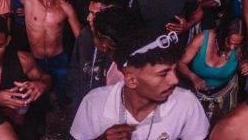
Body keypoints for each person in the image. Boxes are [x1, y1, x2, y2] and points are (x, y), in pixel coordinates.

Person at [70, 28, 209, 140]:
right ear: (131, 80)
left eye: (174, 70)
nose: (175, 80)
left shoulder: (186, 103)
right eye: (163, 73)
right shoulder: (94, 103)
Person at [66, 0, 128, 118]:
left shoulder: (124, 46)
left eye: (94, 14)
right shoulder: (84, 35)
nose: (88, 18)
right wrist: (76, 99)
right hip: (83, 106)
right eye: (89, 12)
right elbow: (75, 68)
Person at [177, 18, 248, 123]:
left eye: (236, 45)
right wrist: (193, 77)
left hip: (224, 92)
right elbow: (180, 63)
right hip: (197, 92)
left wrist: (245, 66)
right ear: (222, 34)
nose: (233, 48)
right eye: (230, 42)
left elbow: (241, 63)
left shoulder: (240, 47)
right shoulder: (202, 38)